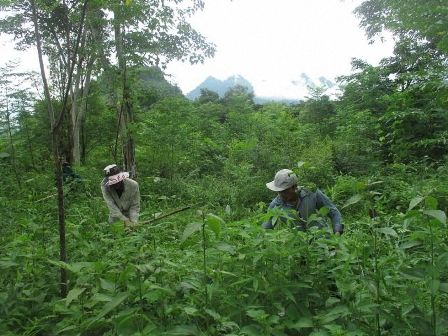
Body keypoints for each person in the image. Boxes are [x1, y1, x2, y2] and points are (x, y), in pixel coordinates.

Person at [263, 169, 343, 234]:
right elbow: (265, 228)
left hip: (321, 240)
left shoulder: (312, 193)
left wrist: (337, 229)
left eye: (284, 191)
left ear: (294, 187)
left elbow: (333, 212)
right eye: (279, 191)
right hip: (299, 246)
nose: (281, 194)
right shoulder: (275, 205)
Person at [101, 164, 140, 228]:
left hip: (130, 215)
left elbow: (135, 206)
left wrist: (134, 222)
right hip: (115, 217)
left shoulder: (133, 185)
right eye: (112, 183)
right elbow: (111, 205)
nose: (115, 185)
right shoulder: (105, 187)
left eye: (116, 182)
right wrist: (125, 220)